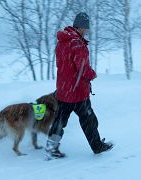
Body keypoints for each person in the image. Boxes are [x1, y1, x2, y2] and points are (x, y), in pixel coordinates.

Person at [45, 12, 113, 158]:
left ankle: (51, 147)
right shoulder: (77, 43)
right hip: (77, 92)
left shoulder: (62, 42)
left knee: (59, 121)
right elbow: (83, 69)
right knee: (89, 120)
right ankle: (97, 146)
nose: (87, 31)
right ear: (82, 27)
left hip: (64, 90)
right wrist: (92, 74)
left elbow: (64, 65)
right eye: (86, 28)